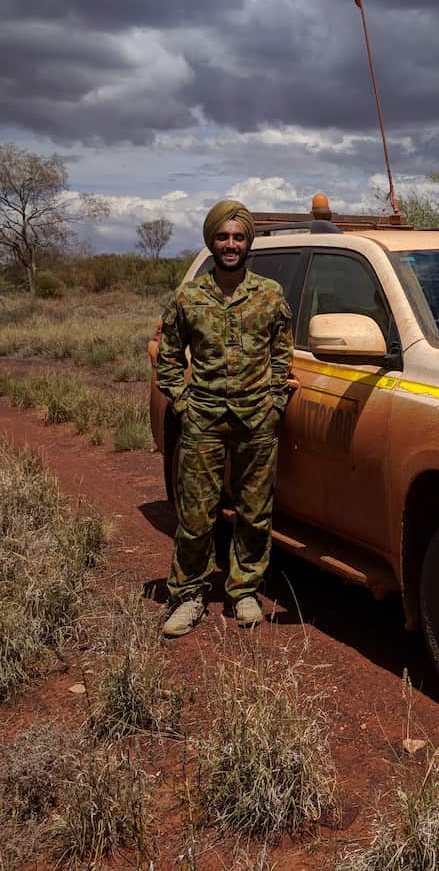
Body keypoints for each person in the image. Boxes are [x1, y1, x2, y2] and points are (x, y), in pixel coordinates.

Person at [154, 199, 295, 637]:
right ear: (211, 241)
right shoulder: (189, 296)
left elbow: (282, 356)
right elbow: (168, 359)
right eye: (223, 236)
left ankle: (244, 591)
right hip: (204, 421)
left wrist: (274, 404)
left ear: (248, 242)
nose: (231, 244)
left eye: (238, 237)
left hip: (257, 420)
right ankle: (188, 596)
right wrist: (183, 404)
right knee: (197, 514)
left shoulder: (269, 294)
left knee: (255, 513)